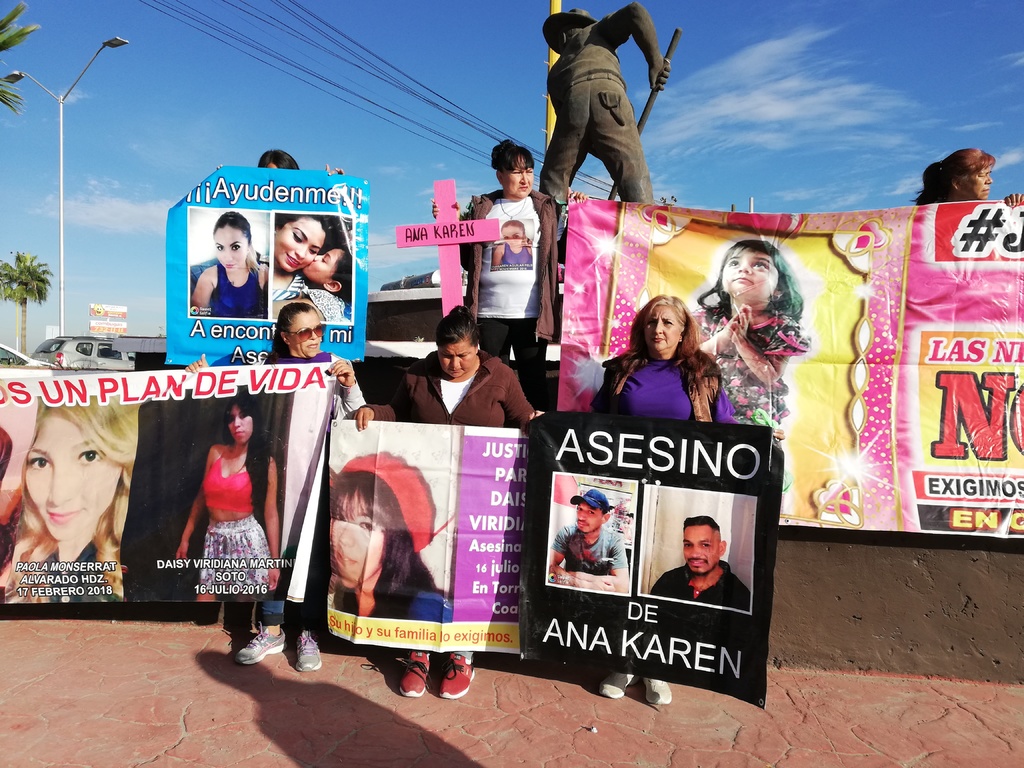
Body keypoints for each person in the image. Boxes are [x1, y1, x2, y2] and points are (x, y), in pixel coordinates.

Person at [354, 304, 539, 699]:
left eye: (463, 356)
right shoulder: (418, 373)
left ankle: (461, 653)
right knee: (424, 569)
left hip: (481, 499)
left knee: (469, 571)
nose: (454, 364)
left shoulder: (501, 376)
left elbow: (523, 416)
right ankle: (418, 650)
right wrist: (371, 411)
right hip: (428, 493)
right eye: (446, 355)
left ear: (478, 348)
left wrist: (537, 423)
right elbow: (395, 411)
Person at [187, 301, 366, 673]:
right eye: (305, 332)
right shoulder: (266, 370)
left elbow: (357, 419)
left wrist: (349, 388)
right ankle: (271, 629)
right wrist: (198, 376)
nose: (316, 337)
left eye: (320, 329)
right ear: (285, 337)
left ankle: (307, 632)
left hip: (317, 483)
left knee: (312, 558)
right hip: (279, 481)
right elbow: (221, 392)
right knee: (275, 554)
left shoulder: (334, 367)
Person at [591, 294, 734, 705]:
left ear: (684, 330)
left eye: (669, 322)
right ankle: (625, 661)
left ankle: (657, 666)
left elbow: (724, 427)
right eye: (653, 322)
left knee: (663, 579)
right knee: (625, 578)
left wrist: (763, 440)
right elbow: (593, 424)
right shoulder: (621, 370)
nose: (659, 330)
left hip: (677, 494)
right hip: (625, 495)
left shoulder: (703, 372)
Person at [456, 139, 562, 410]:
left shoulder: (545, 207)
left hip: (531, 313)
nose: (525, 179)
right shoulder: (483, 209)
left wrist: (580, 206)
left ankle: (539, 429)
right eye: (516, 172)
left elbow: (565, 246)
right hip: (489, 312)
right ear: (500, 176)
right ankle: (495, 429)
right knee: (491, 379)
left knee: (534, 379)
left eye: (529, 171)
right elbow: (467, 260)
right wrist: (450, 222)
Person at [6, 401, 139, 603]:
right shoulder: (16, 560)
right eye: (40, 462)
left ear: (121, 465)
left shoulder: (138, 563)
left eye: (89, 456)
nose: (58, 497)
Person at [539, 4, 669, 204]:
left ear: (562, 38)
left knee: (554, 177)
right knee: (633, 176)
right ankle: (642, 220)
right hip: (608, 96)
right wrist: (655, 60)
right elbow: (635, 11)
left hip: (573, 103)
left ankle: (550, 221)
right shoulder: (597, 31)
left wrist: (603, 148)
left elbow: (575, 136)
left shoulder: (555, 73)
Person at [176, 393, 279, 602]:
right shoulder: (216, 452)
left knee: (242, 610)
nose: (237, 424)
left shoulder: (265, 463)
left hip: (247, 541)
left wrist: (274, 562)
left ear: (255, 419)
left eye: (243, 416)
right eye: (231, 418)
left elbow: (271, 513)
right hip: (214, 539)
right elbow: (201, 498)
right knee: (203, 606)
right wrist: (185, 538)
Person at [695, 240, 809, 425]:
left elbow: (770, 375)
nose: (744, 269)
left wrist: (741, 341)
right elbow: (689, 359)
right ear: (723, 280)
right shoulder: (706, 318)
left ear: (778, 288)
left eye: (759, 265)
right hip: (706, 411)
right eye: (734, 263)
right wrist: (723, 338)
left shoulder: (783, 327)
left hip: (755, 416)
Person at [329, 454, 450, 622]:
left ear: (396, 539)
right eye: (340, 517)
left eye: (366, 526)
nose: (344, 539)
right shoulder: (340, 595)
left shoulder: (427, 609)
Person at [650, 515, 751, 612]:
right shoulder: (667, 582)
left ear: (721, 548)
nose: (694, 554)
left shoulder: (739, 595)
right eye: (688, 545)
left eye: (705, 545)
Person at [548, 488, 628, 592]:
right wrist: (587, 585)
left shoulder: (614, 541)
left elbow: (623, 587)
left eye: (591, 512)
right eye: (580, 509)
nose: (581, 517)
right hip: (569, 594)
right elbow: (549, 570)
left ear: (605, 518)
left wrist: (571, 575)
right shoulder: (567, 533)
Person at [191, 211, 268, 319]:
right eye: (220, 247)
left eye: (235, 247)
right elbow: (195, 320)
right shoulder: (209, 277)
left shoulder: (262, 274)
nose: (227, 257)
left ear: (248, 245)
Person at [915, 148, 1023, 206]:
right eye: (982, 175)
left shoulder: (997, 213)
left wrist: (1016, 207)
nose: (990, 180)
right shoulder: (927, 219)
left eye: (989, 174)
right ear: (958, 183)